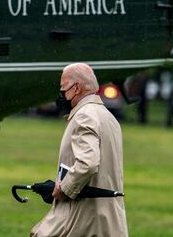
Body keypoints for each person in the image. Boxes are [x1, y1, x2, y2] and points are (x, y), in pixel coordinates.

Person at [31, 63, 128, 237]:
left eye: (63, 88)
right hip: (107, 216)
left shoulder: (84, 116)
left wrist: (63, 189)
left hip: (86, 216)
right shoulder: (108, 117)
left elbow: (87, 163)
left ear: (76, 88)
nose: (61, 94)